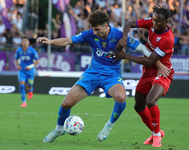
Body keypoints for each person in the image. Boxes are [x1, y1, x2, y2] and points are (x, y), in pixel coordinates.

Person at [37, 10, 169, 143]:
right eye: (93, 29)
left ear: (106, 26)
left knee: (121, 97)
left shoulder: (118, 35)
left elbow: (142, 49)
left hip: (112, 74)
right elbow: (68, 41)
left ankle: (109, 126)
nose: (94, 32)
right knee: (66, 103)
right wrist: (50, 42)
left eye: (97, 29)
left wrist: (158, 64)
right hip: (92, 73)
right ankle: (58, 129)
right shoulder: (89, 34)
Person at [113, 5, 174, 147]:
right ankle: (155, 132)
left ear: (166, 22)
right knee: (138, 106)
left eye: (158, 21)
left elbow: (150, 59)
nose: (154, 23)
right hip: (148, 71)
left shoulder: (167, 38)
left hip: (163, 72)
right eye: (154, 20)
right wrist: (124, 38)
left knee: (151, 101)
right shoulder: (151, 23)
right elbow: (129, 24)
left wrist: (125, 55)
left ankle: (157, 134)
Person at [14, 36, 39, 107]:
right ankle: (24, 102)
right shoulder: (19, 51)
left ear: (28, 42)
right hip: (22, 71)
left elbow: (37, 61)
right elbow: (15, 59)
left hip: (30, 71)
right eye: (23, 41)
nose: (24, 43)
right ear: (21, 42)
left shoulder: (32, 50)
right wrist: (17, 66)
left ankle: (30, 90)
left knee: (28, 86)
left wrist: (30, 66)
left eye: (26, 41)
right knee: (21, 85)